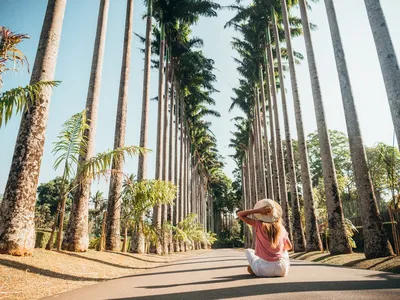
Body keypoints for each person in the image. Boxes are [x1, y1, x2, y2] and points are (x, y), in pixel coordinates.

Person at [237, 199, 292, 277]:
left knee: (249, 251)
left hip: (263, 269)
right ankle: (257, 265)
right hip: (282, 269)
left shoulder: (259, 225)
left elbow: (240, 214)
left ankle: (254, 266)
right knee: (285, 252)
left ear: (261, 214)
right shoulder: (282, 228)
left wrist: (257, 210)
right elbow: (289, 247)